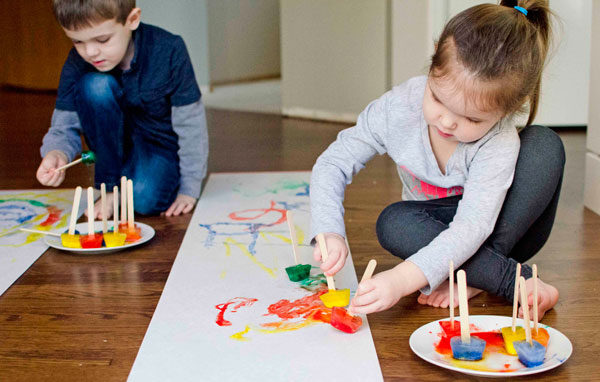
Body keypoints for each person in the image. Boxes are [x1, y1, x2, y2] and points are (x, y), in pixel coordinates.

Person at [310, 0, 561, 320]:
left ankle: (493, 275)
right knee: (394, 224)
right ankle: (484, 272)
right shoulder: (398, 108)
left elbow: (473, 226)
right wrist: (328, 229)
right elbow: (334, 163)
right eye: (437, 99)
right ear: (432, 65)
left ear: (507, 110)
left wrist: (401, 280)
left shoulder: (498, 140)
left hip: (503, 232)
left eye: (470, 119)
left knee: (544, 145)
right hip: (431, 233)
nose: (446, 123)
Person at [36, 0, 208, 217]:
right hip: (111, 150)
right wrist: (56, 152)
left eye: (102, 39)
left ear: (132, 20)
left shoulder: (170, 49)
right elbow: (64, 125)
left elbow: (191, 125)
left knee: (144, 199)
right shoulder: (77, 62)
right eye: (77, 41)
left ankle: (119, 185)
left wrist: (189, 188)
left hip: (159, 148)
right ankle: (111, 186)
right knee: (95, 85)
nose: (90, 52)